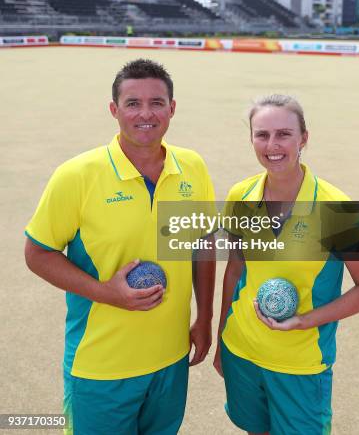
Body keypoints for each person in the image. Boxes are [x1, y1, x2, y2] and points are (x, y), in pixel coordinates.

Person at [25, 58, 216, 435]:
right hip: (100, 367)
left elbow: (203, 245)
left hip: (170, 361)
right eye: (132, 103)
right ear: (114, 110)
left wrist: (205, 318)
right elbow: (37, 253)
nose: (145, 114)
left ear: (172, 109)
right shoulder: (77, 175)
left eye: (157, 103)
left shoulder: (192, 167)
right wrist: (104, 292)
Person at [214, 94, 359, 435]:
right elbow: (235, 271)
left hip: (300, 364)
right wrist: (221, 340)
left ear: (303, 138)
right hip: (242, 350)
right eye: (262, 135)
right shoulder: (239, 196)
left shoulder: (339, 209)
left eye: (283, 134)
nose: (272, 145)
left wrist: (305, 321)